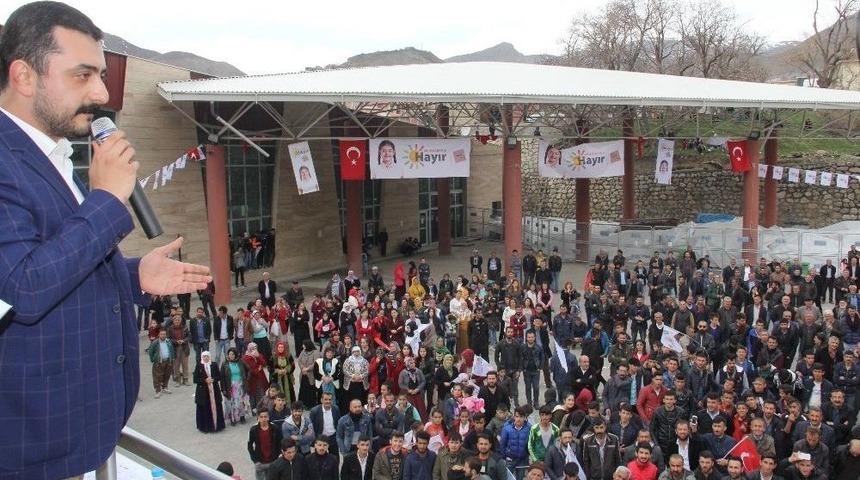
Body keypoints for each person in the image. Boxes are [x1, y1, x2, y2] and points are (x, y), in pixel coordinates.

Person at [194, 351, 225, 433]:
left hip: (214, 390)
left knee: (216, 406)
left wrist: (213, 379)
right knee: (204, 408)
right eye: (204, 356)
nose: (206, 358)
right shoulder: (199, 366)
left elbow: (219, 376)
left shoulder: (214, 365)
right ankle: (205, 428)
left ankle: (217, 426)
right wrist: (205, 380)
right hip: (203, 392)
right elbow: (195, 379)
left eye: (207, 356)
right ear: (202, 357)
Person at [248, 410, 283, 480]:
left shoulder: (275, 428)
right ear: (258, 418)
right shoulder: (253, 430)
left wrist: (279, 455)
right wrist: (255, 460)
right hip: (260, 462)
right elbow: (250, 445)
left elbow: (280, 442)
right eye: (261, 417)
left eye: (265, 416)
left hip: (273, 461)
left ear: (268, 417)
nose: (263, 419)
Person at [221, 347, 250, 426]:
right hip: (230, 386)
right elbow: (222, 377)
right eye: (230, 354)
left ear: (236, 354)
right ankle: (232, 418)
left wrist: (246, 379)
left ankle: (242, 416)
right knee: (232, 403)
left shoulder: (240, 362)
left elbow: (248, 370)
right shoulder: (225, 364)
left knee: (241, 402)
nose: (231, 356)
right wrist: (223, 389)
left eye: (233, 354)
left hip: (240, 385)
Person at [147, 327, 175, 398]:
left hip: (168, 361)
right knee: (157, 377)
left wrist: (172, 358)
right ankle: (158, 390)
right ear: (159, 335)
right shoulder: (155, 343)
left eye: (164, 334)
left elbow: (171, 350)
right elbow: (150, 352)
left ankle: (165, 387)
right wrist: (153, 359)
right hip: (159, 362)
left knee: (167, 375)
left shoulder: (168, 341)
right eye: (162, 334)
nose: (163, 335)